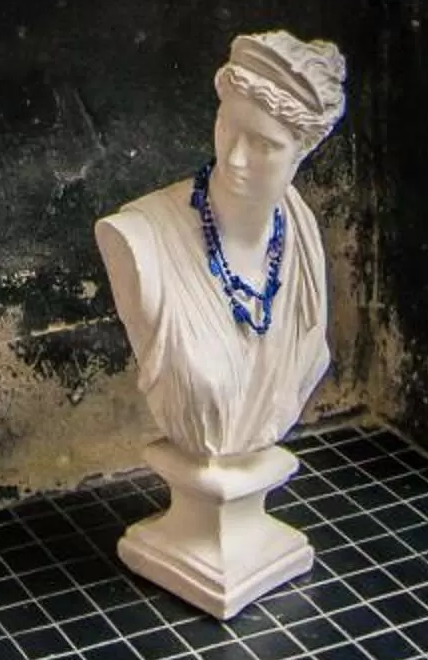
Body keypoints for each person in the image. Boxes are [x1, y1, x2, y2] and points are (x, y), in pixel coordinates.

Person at [95, 28, 347, 465]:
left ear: (301, 154)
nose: (234, 158)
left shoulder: (299, 231)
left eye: (264, 144)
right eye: (227, 127)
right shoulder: (139, 237)